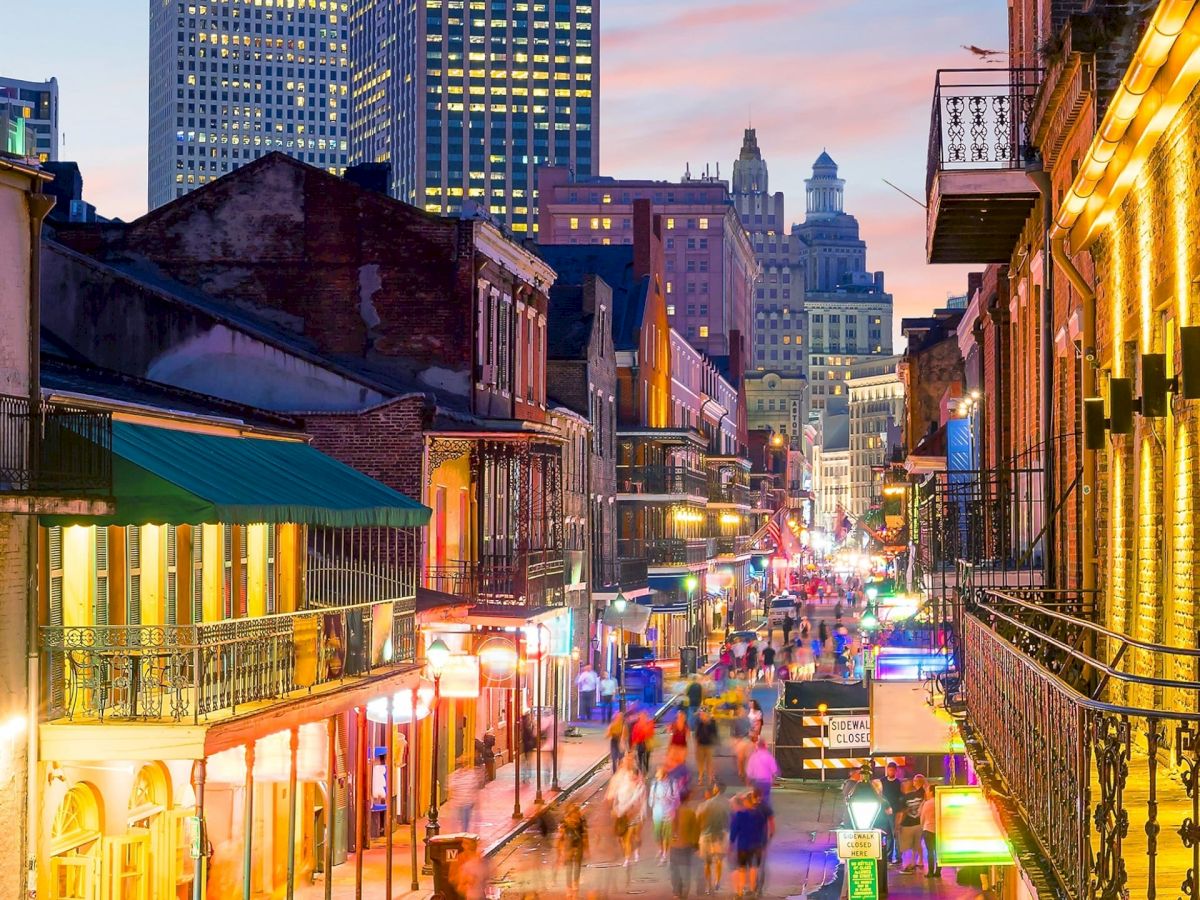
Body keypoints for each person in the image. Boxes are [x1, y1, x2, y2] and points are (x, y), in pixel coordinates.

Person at [729, 789, 774, 899]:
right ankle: (753, 890)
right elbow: (763, 830)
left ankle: (740, 892)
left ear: (747, 802)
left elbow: (734, 831)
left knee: (742, 869)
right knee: (754, 868)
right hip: (757, 845)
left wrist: (731, 843)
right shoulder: (760, 815)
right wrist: (764, 843)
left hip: (743, 846)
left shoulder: (740, 815)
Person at [606, 754, 648, 867]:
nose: (627, 763)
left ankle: (634, 852)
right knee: (623, 837)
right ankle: (627, 856)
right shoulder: (619, 777)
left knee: (634, 835)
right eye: (625, 761)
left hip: (635, 813)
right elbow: (613, 793)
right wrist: (613, 807)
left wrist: (639, 811)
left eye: (630, 761)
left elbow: (640, 797)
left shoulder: (637, 778)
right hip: (622, 812)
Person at [698, 781, 731, 894]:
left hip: (706, 835)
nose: (713, 788)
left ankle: (708, 886)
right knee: (719, 860)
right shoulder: (727, 803)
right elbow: (730, 819)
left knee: (707, 863)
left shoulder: (706, 804)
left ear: (717, 789)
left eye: (715, 787)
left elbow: (698, 819)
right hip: (721, 835)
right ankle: (717, 881)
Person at [669, 789, 701, 899]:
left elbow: (671, 829)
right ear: (688, 798)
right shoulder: (690, 813)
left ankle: (676, 893)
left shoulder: (675, 812)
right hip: (685, 846)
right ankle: (684, 894)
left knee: (675, 871)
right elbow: (695, 831)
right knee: (685, 872)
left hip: (674, 846)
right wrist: (696, 846)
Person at [557, 801, 589, 897]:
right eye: (575, 812)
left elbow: (584, 835)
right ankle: (571, 886)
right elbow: (561, 836)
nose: (576, 814)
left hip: (575, 844)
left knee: (574, 866)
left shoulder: (580, 820)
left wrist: (586, 847)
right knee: (572, 866)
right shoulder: (566, 821)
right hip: (571, 844)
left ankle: (572, 886)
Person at [650, 765, 681, 862]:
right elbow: (651, 799)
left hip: (668, 812)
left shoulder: (672, 784)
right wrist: (652, 803)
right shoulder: (655, 784)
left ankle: (664, 854)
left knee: (666, 835)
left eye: (658, 774)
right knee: (657, 834)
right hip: (657, 813)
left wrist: (670, 801)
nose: (656, 776)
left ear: (664, 775)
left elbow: (677, 799)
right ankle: (660, 849)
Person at [896, 774, 927, 872]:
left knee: (907, 846)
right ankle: (919, 861)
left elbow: (902, 812)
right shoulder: (925, 794)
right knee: (917, 844)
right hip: (920, 823)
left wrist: (898, 824)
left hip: (908, 825)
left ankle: (909, 865)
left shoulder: (906, 797)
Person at [880, 762, 905, 864]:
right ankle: (888, 856)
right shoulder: (883, 781)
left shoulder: (898, 783)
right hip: (884, 812)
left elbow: (900, 797)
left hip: (894, 811)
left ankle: (898, 857)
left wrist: (897, 810)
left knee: (896, 834)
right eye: (889, 770)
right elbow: (880, 795)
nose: (891, 772)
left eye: (892, 770)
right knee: (888, 834)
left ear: (895, 771)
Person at [920, 781, 942, 877]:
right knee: (938, 852)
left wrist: (922, 827)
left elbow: (922, 818)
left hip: (928, 829)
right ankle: (938, 872)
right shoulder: (941, 802)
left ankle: (930, 872)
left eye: (927, 791)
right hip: (940, 830)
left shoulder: (927, 803)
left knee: (930, 852)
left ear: (932, 792)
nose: (926, 792)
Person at [693, 706, 718, 784]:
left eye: (703, 714)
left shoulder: (712, 722)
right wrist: (696, 745)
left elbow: (714, 733)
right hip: (700, 745)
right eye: (700, 714)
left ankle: (710, 777)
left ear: (707, 714)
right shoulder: (699, 722)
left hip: (708, 745)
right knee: (700, 762)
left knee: (709, 762)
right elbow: (696, 734)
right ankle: (700, 776)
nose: (701, 716)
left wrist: (709, 722)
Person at [631, 709, 655, 774]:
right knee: (641, 758)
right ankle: (642, 771)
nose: (643, 718)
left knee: (646, 758)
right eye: (642, 716)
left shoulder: (649, 723)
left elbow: (651, 733)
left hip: (646, 743)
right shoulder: (637, 725)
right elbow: (634, 735)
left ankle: (645, 769)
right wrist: (634, 743)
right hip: (641, 743)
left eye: (644, 716)